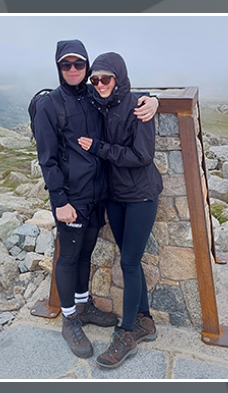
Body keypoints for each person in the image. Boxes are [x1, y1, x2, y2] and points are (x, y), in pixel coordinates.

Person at [33, 40, 156, 359]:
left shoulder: (92, 97)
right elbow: (46, 157)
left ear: (86, 67)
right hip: (71, 197)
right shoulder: (50, 104)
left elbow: (123, 98)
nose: (73, 70)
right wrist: (59, 200)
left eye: (78, 65)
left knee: (86, 250)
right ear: (58, 68)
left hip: (99, 194)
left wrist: (153, 101)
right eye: (65, 65)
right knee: (69, 255)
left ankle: (84, 305)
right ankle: (70, 319)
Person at [76, 52, 159, 368]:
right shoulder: (99, 102)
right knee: (131, 259)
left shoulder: (138, 105)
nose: (99, 84)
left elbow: (142, 155)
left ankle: (126, 333)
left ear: (119, 78)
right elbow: (67, 94)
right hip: (115, 196)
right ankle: (145, 321)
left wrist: (154, 100)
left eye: (105, 79)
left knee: (128, 261)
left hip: (140, 196)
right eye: (94, 79)